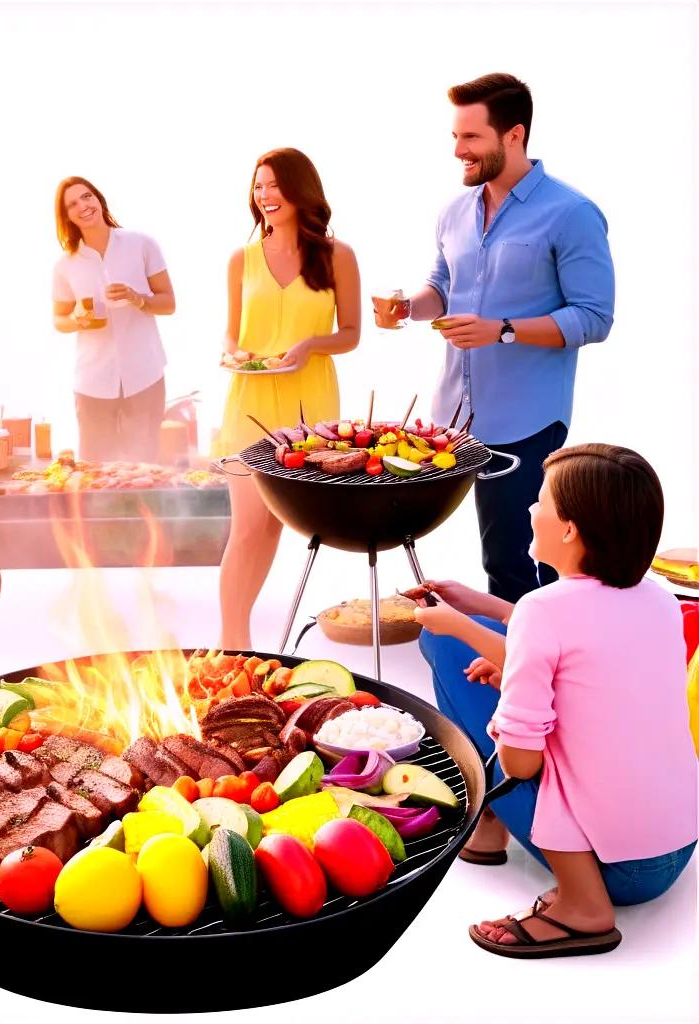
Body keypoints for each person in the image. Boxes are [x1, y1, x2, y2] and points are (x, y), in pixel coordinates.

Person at [414, 444, 697, 958]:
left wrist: (510, 705)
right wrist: (481, 609)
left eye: (540, 500)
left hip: (612, 873)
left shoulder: (545, 613)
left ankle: (575, 903)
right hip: (677, 848)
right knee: (476, 649)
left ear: (568, 529)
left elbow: (522, 762)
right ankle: (495, 835)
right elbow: (593, 663)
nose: (528, 510)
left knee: (442, 644)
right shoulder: (659, 599)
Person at [390, 73, 615, 603]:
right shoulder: (453, 211)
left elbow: (594, 317)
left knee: (515, 560)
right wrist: (408, 307)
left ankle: (536, 674)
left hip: (526, 421)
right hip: (453, 420)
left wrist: (504, 331)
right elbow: (443, 288)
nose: (458, 151)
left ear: (513, 135)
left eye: (471, 138)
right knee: (481, 550)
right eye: (454, 137)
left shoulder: (572, 214)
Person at [214, 148, 360, 650]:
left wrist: (309, 347)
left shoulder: (337, 255)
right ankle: (232, 643)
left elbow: (352, 333)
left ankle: (241, 643)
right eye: (258, 186)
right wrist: (236, 357)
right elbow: (230, 339)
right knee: (247, 527)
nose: (265, 195)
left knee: (274, 527)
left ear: (301, 190)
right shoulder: (241, 259)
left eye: (275, 185)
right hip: (248, 402)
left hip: (308, 404)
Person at [52, 176, 176, 463]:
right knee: (97, 474)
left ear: (99, 199)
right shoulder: (65, 265)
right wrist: (76, 318)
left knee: (144, 470)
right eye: (72, 204)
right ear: (67, 216)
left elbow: (168, 303)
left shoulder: (141, 244)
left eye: (87, 196)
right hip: (92, 383)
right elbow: (59, 320)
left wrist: (137, 297)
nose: (83, 205)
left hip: (145, 375)